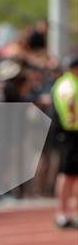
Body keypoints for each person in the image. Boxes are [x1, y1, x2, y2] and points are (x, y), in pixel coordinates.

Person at [52, 56, 78, 228]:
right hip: (72, 132)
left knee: (69, 174)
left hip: (69, 132)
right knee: (67, 174)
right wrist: (71, 114)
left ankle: (65, 212)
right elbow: (70, 103)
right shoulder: (69, 84)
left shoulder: (62, 82)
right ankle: (62, 212)